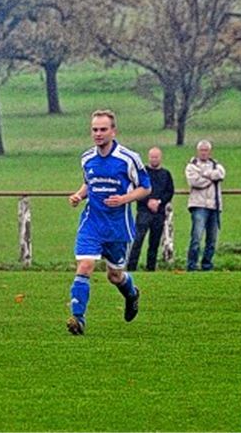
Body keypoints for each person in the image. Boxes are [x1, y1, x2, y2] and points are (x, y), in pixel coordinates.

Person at [66, 110, 151, 335]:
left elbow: (145, 187)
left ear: (113, 131)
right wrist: (78, 195)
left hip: (117, 227)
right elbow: (89, 183)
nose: (98, 134)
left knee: (115, 276)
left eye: (103, 129)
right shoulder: (87, 158)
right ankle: (78, 319)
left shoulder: (128, 158)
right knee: (85, 266)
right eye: (95, 129)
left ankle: (131, 294)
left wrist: (124, 199)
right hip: (92, 223)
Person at [127, 147, 174, 272]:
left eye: (156, 157)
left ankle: (151, 268)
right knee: (138, 240)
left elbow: (169, 192)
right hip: (143, 212)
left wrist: (159, 202)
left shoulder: (166, 174)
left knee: (154, 242)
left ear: (160, 158)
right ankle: (131, 268)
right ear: (148, 158)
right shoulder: (143, 173)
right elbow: (136, 189)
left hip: (159, 212)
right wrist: (147, 201)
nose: (154, 159)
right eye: (152, 157)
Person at [185, 140, 225, 272]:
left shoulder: (216, 164)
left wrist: (204, 174)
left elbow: (221, 174)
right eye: (201, 150)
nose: (203, 152)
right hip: (199, 205)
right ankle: (192, 265)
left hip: (214, 206)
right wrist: (211, 179)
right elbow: (195, 182)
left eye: (206, 150)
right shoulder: (191, 165)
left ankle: (207, 265)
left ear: (210, 151)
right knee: (196, 237)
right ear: (198, 151)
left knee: (212, 239)